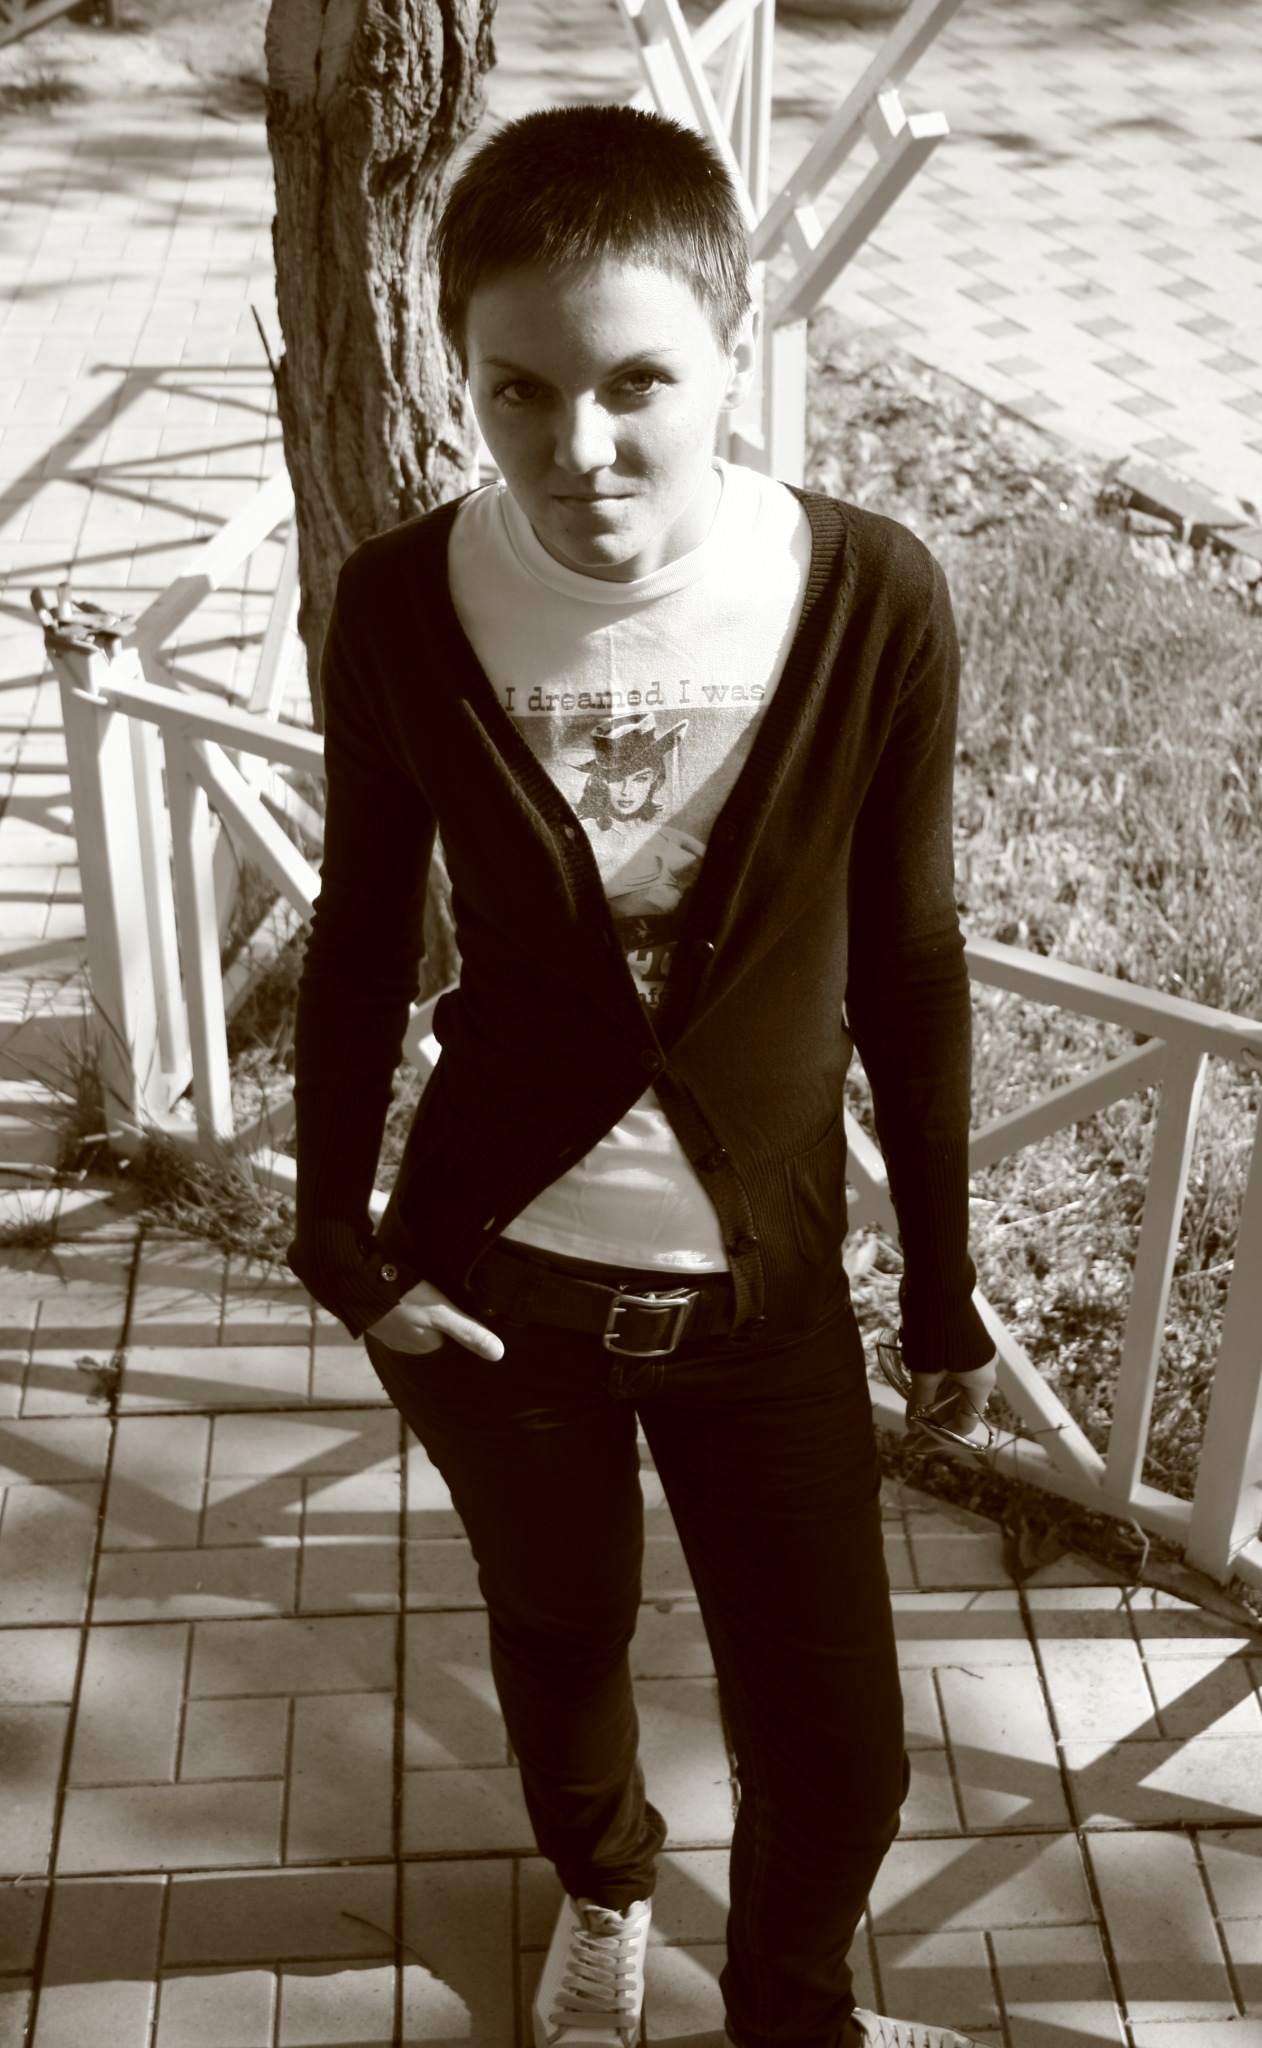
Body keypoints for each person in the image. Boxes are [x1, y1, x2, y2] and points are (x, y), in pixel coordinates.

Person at [287, 102, 999, 2048]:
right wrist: (335, 1237)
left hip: (763, 1302)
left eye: (634, 384)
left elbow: (911, 961)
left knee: (838, 1747)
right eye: (515, 390)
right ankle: (603, 1889)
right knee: (560, 1631)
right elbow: (362, 934)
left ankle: (785, 2007)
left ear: (731, 346)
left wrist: (937, 1283)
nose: (576, 448)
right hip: (489, 1289)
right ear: (461, 370)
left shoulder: (868, 597)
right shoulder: (403, 602)